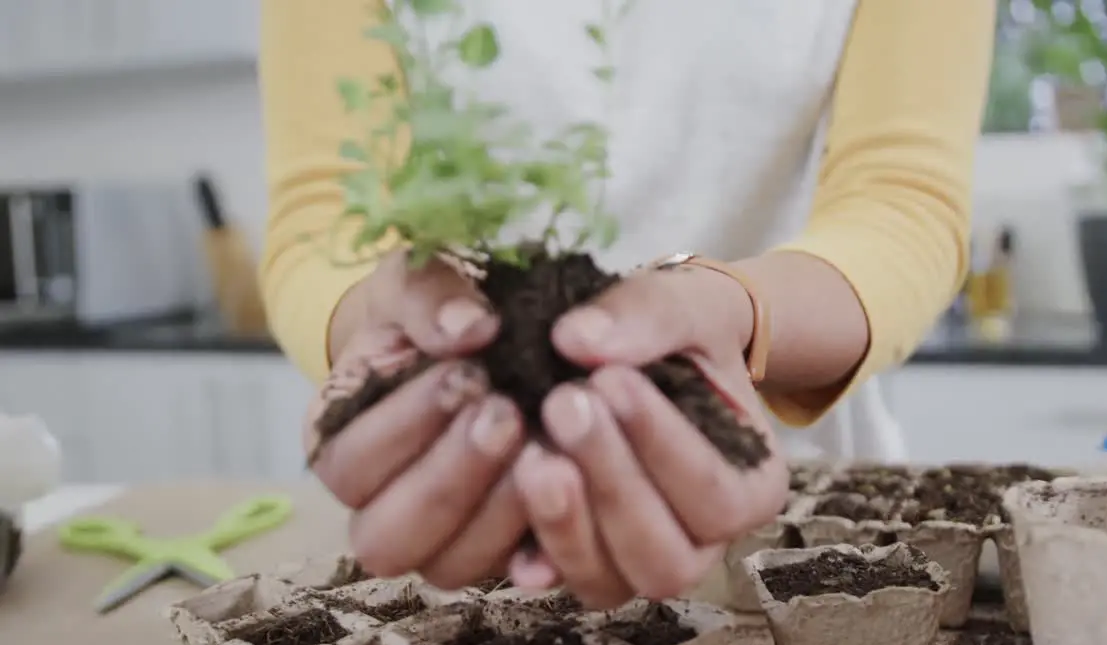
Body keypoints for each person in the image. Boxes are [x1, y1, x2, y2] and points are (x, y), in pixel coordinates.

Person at [259, 0, 997, 609]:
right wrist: (384, 327)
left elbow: (902, 200)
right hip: (452, 462)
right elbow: (322, 217)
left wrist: (736, 309)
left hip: (771, 482)